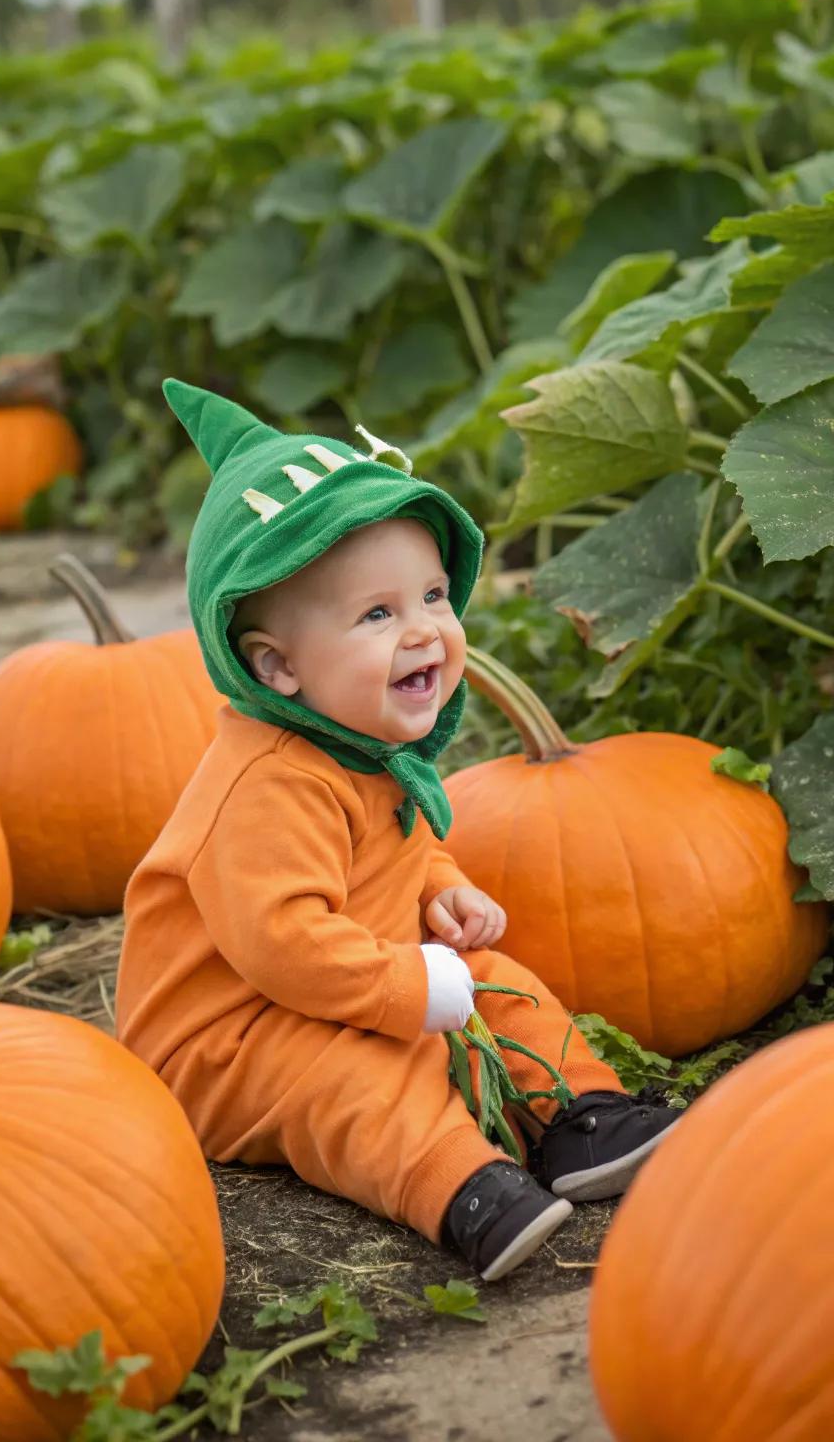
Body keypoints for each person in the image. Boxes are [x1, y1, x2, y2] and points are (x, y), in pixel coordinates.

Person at [116, 380, 678, 1282]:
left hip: (341, 973)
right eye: (377, 615)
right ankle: (460, 1186)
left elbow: (397, 846)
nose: (423, 632)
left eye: (430, 596)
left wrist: (440, 888)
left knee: (498, 983)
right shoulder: (265, 787)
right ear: (278, 667)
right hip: (235, 1038)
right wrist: (403, 988)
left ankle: (583, 1117)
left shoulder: (359, 742)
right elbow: (282, 943)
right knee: (354, 1075)